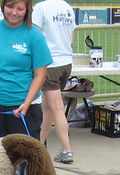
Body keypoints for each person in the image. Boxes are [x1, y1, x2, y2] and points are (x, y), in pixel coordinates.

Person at [0, 0, 52, 138]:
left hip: (24, 107)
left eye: (20, 9)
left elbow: (40, 75)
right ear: (3, 6)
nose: (14, 12)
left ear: (27, 10)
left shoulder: (34, 35)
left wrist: (26, 103)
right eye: (10, 7)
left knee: (25, 157)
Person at [33, 0, 76, 164]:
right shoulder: (67, 8)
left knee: (56, 107)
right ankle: (39, 144)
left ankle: (67, 150)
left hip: (49, 63)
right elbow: (71, 38)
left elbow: (35, 37)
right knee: (48, 108)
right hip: (66, 62)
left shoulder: (41, 8)